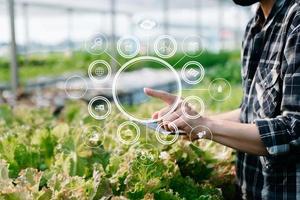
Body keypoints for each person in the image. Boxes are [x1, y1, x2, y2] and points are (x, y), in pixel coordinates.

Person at [144, 0, 300, 199]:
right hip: (249, 190)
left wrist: (206, 126)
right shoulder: (254, 25)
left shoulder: (296, 21)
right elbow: (250, 111)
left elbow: (295, 130)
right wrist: (189, 120)